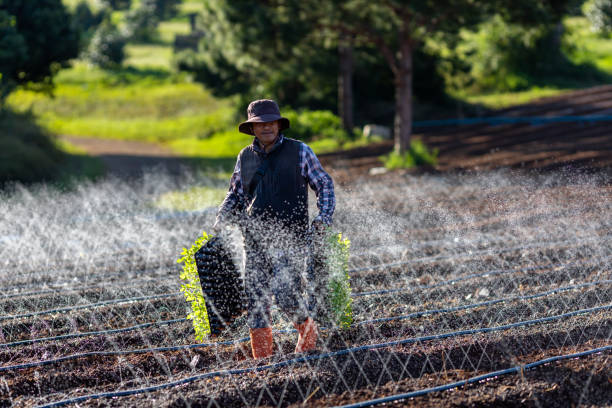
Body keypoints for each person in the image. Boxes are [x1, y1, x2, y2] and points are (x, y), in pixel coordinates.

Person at [212, 99, 335, 359]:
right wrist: (222, 216)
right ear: (252, 129)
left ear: (279, 125)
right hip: (254, 239)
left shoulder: (300, 151)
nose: (266, 127)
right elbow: (234, 194)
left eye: (271, 122)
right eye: (260, 124)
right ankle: (263, 362)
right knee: (256, 299)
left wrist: (323, 217)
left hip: (290, 238)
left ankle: (309, 337)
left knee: (285, 292)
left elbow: (323, 184)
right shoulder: (244, 157)